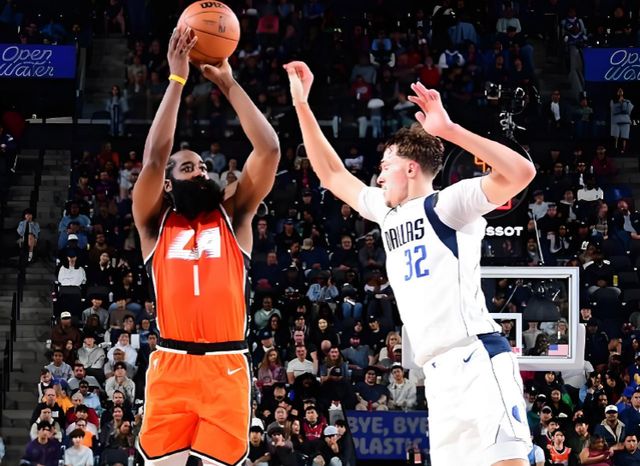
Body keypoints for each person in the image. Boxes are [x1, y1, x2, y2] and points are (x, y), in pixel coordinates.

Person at [284, 61, 536, 466]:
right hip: (436, 374)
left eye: (385, 168)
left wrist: (449, 131)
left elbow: (522, 172)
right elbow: (331, 174)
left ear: (411, 168)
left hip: (475, 357)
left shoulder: (446, 205)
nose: (379, 178)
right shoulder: (386, 213)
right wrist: (301, 104)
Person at [133, 27, 280, 466]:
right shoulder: (154, 223)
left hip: (226, 364)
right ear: (168, 183)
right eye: (188, 168)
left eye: (202, 166)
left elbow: (269, 149)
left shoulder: (234, 215)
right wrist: (176, 80)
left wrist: (229, 84)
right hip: (171, 362)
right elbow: (154, 158)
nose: (200, 172)